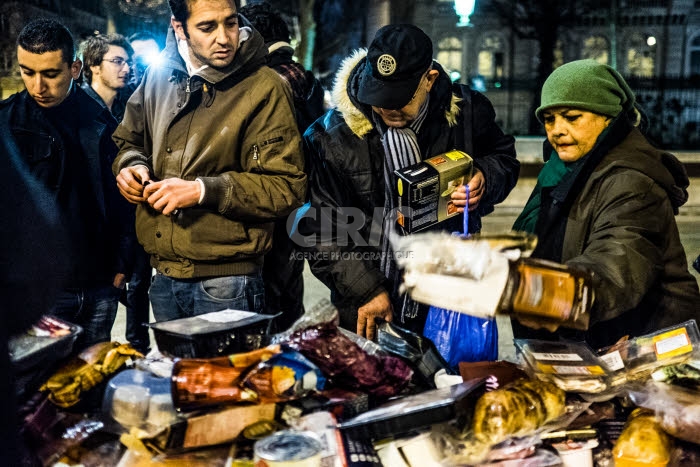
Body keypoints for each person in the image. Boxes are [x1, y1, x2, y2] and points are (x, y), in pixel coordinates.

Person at [298, 24, 519, 339]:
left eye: (400, 98)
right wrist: (366, 290)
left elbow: (504, 159)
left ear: (429, 80)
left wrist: (485, 176)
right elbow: (321, 227)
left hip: (448, 299)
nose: (387, 108)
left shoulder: (467, 113)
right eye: (379, 95)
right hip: (367, 304)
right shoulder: (330, 136)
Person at [112, 0, 307, 322]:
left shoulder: (264, 87)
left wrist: (202, 190)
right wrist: (131, 166)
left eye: (230, 23)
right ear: (179, 28)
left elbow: (286, 186)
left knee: (226, 374)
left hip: (229, 281)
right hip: (163, 273)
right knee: (178, 372)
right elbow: (128, 139)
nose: (224, 37)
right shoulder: (158, 77)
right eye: (207, 27)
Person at [511, 59, 700, 350]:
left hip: (645, 350)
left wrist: (547, 294)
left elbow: (616, 263)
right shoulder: (563, 170)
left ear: (608, 118)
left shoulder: (631, 179)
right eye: (549, 119)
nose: (557, 130)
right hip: (590, 343)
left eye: (572, 117)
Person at [0, 19, 136, 351]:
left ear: (74, 68)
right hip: (40, 290)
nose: (37, 86)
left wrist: (122, 265)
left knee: (90, 384)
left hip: (100, 282)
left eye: (50, 74)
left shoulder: (102, 120)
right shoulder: (7, 123)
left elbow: (122, 201)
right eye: (27, 72)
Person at [240, 1, 325, 330]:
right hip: (302, 202)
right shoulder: (305, 77)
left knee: (267, 294)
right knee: (289, 288)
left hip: (269, 202)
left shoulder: (266, 81)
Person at [79, 33, 134, 122]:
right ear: (94, 66)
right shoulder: (77, 106)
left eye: (128, 63)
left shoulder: (127, 105)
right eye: (117, 61)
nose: (127, 69)